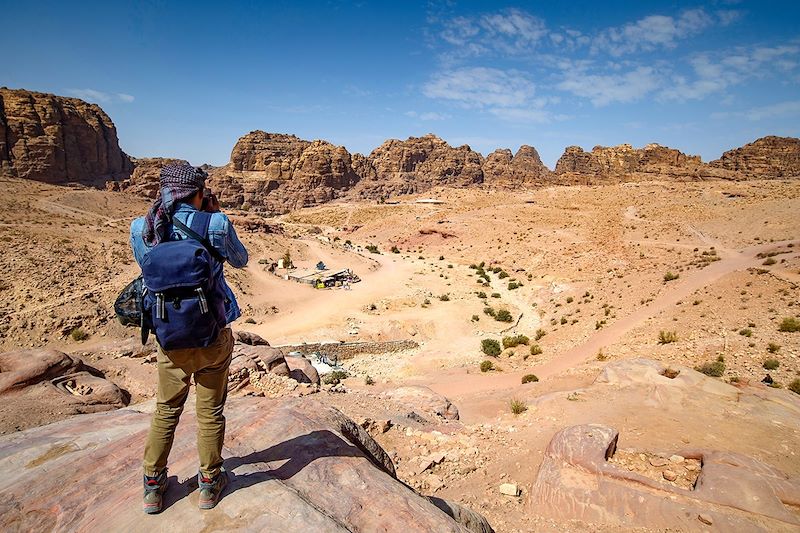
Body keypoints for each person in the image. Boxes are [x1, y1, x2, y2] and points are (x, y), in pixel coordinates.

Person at [129, 164, 248, 514]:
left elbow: (147, 271)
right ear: (198, 192)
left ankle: (153, 485)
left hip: (169, 334)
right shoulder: (215, 223)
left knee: (166, 410)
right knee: (210, 412)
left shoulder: (143, 227)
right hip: (212, 331)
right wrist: (214, 217)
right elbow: (241, 260)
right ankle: (209, 484)